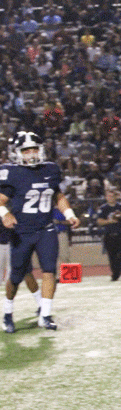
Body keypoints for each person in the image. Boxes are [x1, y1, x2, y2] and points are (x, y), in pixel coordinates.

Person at [0, 131, 79, 332]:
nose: (31, 153)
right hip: (22, 231)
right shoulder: (11, 172)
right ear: (17, 152)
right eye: (26, 150)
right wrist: (4, 214)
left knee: (49, 271)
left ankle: (45, 315)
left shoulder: (50, 169)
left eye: (34, 149)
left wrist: (69, 213)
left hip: (46, 229)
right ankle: (7, 312)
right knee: (16, 276)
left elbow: (58, 196)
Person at [96, 188, 121, 282]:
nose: (110, 198)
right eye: (108, 196)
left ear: (115, 197)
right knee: (112, 256)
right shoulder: (103, 208)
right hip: (109, 234)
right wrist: (109, 221)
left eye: (112, 196)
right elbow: (99, 221)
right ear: (106, 197)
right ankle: (115, 274)